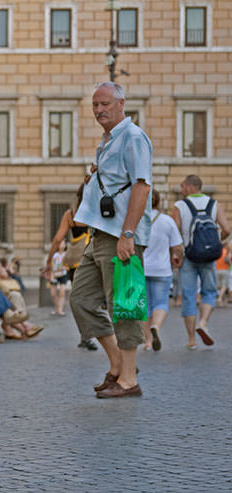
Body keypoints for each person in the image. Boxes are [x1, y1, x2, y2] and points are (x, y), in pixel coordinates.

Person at [69, 82, 152, 399]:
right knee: (81, 299)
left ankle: (129, 380)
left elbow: (142, 187)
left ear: (121, 103)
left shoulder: (133, 137)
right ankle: (118, 363)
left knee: (124, 305)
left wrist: (128, 234)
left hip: (120, 235)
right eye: (95, 105)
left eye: (104, 103)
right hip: (99, 234)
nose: (99, 110)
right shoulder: (108, 141)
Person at [170, 175, 230, 349]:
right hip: (209, 255)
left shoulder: (179, 206)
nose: (181, 190)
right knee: (209, 292)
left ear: (189, 187)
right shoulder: (214, 204)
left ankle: (191, 340)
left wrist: (176, 254)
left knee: (188, 295)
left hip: (188, 256)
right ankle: (203, 323)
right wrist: (215, 242)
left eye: (182, 187)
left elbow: (175, 234)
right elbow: (226, 229)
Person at [43, 184, 98, 351]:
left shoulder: (71, 214)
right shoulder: (97, 211)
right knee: (95, 299)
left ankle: (86, 335)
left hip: (78, 263)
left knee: (80, 298)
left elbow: (58, 239)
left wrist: (49, 262)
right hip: (96, 259)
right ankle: (98, 335)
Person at [141, 189, 183, 351]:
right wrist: (176, 258)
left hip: (142, 268)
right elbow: (177, 246)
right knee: (160, 303)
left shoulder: (137, 220)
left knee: (144, 305)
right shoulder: (167, 221)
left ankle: (147, 341)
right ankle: (156, 327)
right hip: (162, 269)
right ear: (158, 202)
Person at [49, 240, 68, 316]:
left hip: (63, 275)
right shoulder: (54, 254)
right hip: (55, 275)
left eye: (63, 243)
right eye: (60, 243)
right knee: (53, 294)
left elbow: (68, 266)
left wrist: (63, 269)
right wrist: (52, 275)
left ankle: (60, 310)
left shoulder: (66, 254)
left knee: (62, 292)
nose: (61, 245)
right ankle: (56, 308)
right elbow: (52, 265)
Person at [214, 241, 230, 307]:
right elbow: (228, 260)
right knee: (224, 286)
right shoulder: (227, 252)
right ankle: (220, 298)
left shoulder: (217, 252)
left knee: (220, 286)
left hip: (217, 270)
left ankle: (224, 302)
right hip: (225, 270)